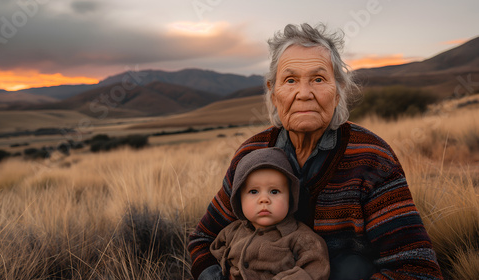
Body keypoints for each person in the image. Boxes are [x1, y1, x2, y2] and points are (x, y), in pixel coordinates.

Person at [188, 23, 444, 280]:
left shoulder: (371, 158)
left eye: (318, 79)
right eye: (290, 80)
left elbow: (417, 269)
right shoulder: (252, 154)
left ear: (339, 90)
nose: (304, 94)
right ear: (273, 92)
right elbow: (203, 238)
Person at [210, 147, 329, 280]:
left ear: (290, 198)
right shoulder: (231, 232)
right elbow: (216, 251)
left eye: (274, 191)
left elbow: (316, 267)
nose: (264, 199)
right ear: (239, 200)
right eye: (253, 191)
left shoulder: (300, 237)